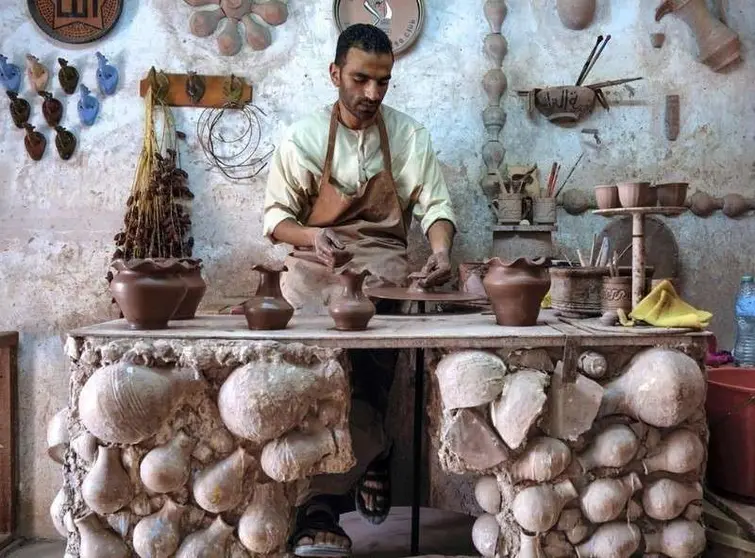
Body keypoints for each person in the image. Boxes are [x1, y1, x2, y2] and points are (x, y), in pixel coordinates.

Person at [263, 23, 457, 558]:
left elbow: (436, 208)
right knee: (314, 383)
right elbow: (277, 218)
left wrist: (439, 252)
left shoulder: (409, 136)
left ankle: (324, 505)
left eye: (383, 82)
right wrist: (312, 235)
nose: (372, 94)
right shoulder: (302, 136)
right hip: (313, 264)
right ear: (335, 75)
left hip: (382, 271)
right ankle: (348, 475)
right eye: (360, 79)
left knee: (370, 379)